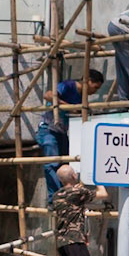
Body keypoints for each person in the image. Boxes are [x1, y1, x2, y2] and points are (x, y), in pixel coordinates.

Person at [35, 70, 105, 205]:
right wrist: (68, 106)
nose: (94, 92)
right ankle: (54, 200)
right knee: (52, 164)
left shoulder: (81, 96)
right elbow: (48, 95)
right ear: (87, 81)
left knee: (64, 166)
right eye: (95, 87)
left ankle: (63, 197)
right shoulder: (67, 86)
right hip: (48, 130)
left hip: (61, 132)